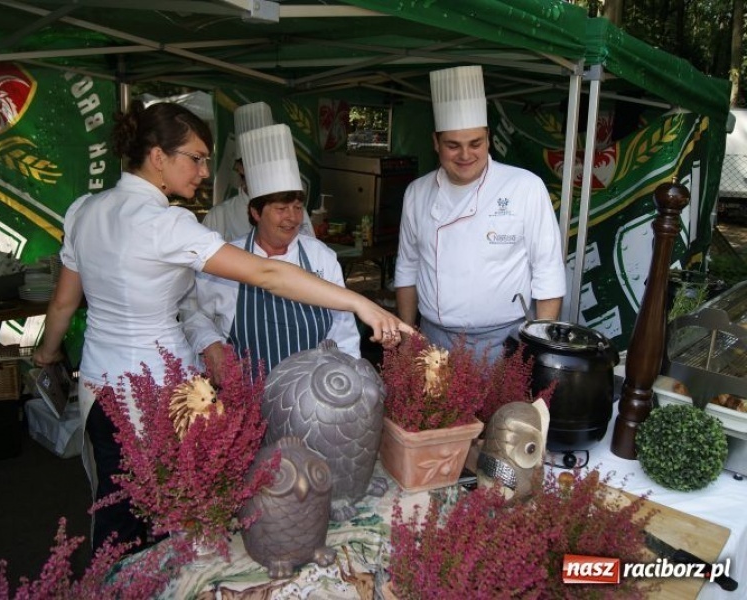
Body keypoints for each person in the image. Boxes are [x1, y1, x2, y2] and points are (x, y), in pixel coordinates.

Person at [32, 101, 410, 553]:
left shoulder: (84, 211)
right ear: (158, 157)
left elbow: (62, 303)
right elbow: (268, 275)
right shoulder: (166, 224)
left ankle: (116, 580)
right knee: (176, 511)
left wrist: (46, 354)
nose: (204, 173)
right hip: (166, 390)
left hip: (100, 384)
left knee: (117, 509)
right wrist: (362, 304)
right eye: (194, 158)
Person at [394, 65, 566, 363]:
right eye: (453, 145)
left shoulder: (525, 187)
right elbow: (407, 266)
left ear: (488, 137)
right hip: (433, 339)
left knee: (500, 411)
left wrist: (539, 347)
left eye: (475, 143)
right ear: (436, 142)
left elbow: (548, 271)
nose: (465, 155)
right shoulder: (417, 193)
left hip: (505, 341)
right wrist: (409, 334)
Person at [183, 124, 360, 381]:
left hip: (314, 396)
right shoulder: (228, 259)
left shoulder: (321, 257)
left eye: (298, 207)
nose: (292, 218)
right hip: (245, 394)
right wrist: (210, 344)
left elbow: (343, 329)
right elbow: (193, 311)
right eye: (281, 208)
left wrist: (348, 382)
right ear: (256, 212)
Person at [203, 101, 315, 241]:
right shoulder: (220, 216)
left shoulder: (295, 211)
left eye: (272, 163)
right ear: (240, 168)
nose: (268, 171)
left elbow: (311, 250)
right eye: (258, 165)